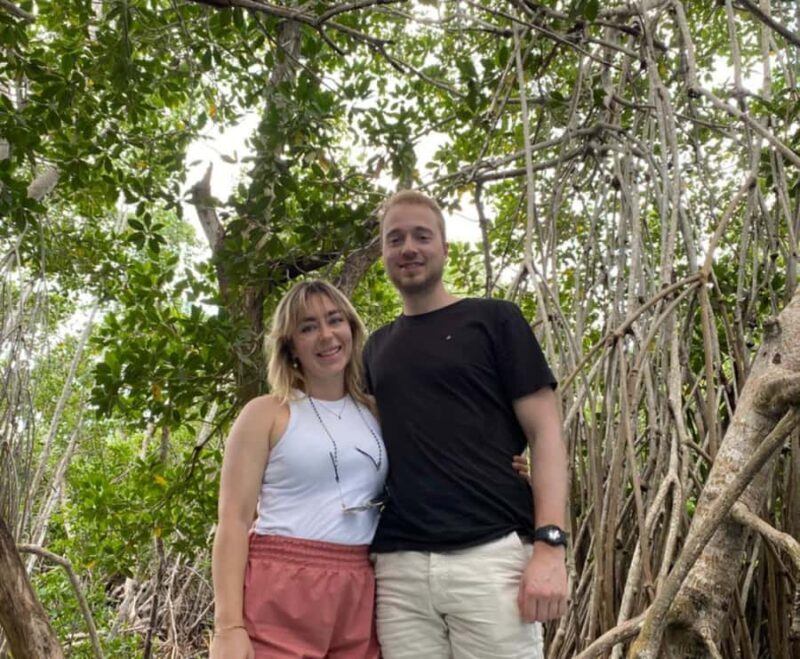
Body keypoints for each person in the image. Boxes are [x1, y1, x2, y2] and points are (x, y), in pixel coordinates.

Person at [364, 190, 569, 659]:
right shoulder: (375, 348)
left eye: (421, 236)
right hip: (399, 567)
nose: (408, 248)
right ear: (383, 254)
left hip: (490, 556)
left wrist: (550, 545)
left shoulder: (494, 320)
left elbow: (546, 435)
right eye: (395, 239)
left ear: (444, 248)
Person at [210, 280, 388, 659]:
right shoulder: (267, 412)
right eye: (308, 327)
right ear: (290, 345)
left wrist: (508, 467)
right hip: (281, 582)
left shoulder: (377, 412)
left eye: (334, 320)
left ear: (352, 329)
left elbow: (434, 460)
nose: (326, 335)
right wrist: (228, 627)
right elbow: (234, 521)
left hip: (359, 585)